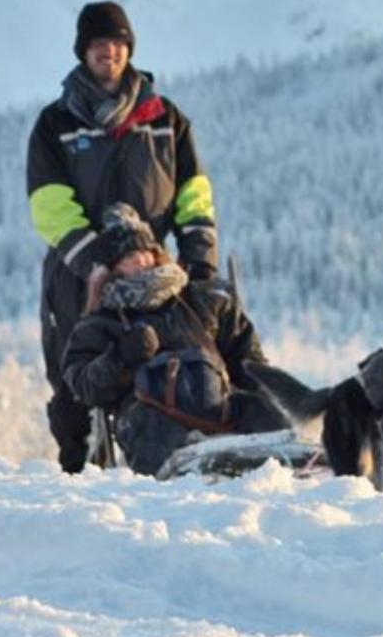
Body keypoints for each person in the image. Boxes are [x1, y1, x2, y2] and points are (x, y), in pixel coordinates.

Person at [27, 1, 220, 473]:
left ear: (128, 48)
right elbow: (48, 206)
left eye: (115, 43)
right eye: (97, 44)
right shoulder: (57, 124)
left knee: (176, 365)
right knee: (78, 378)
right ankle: (81, 478)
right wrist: (99, 259)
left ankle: (172, 462)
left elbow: (193, 195)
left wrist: (199, 261)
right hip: (80, 276)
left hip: (153, 274)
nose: (107, 52)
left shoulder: (163, 118)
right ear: (83, 52)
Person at [62, 204, 287, 477]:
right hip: (149, 418)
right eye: (129, 257)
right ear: (112, 268)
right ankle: (179, 485)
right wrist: (120, 357)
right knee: (152, 426)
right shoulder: (99, 324)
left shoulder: (201, 301)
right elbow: (84, 384)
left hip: (218, 407)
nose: (141, 262)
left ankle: (290, 461)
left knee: (263, 409)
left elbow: (248, 360)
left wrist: (269, 396)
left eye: (146, 253)